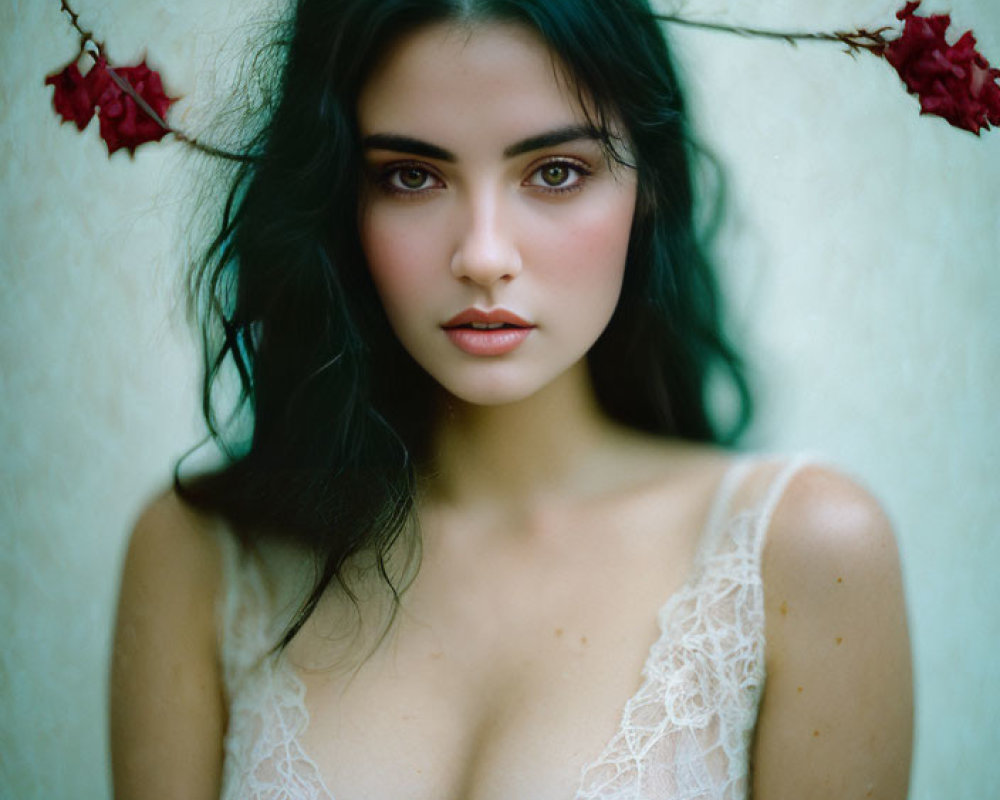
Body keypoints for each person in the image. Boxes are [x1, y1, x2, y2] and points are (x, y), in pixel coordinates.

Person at [109, 0, 913, 797]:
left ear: (652, 186)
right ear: (338, 201)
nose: (484, 255)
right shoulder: (199, 552)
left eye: (555, 172)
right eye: (410, 176)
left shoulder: (803, 554)